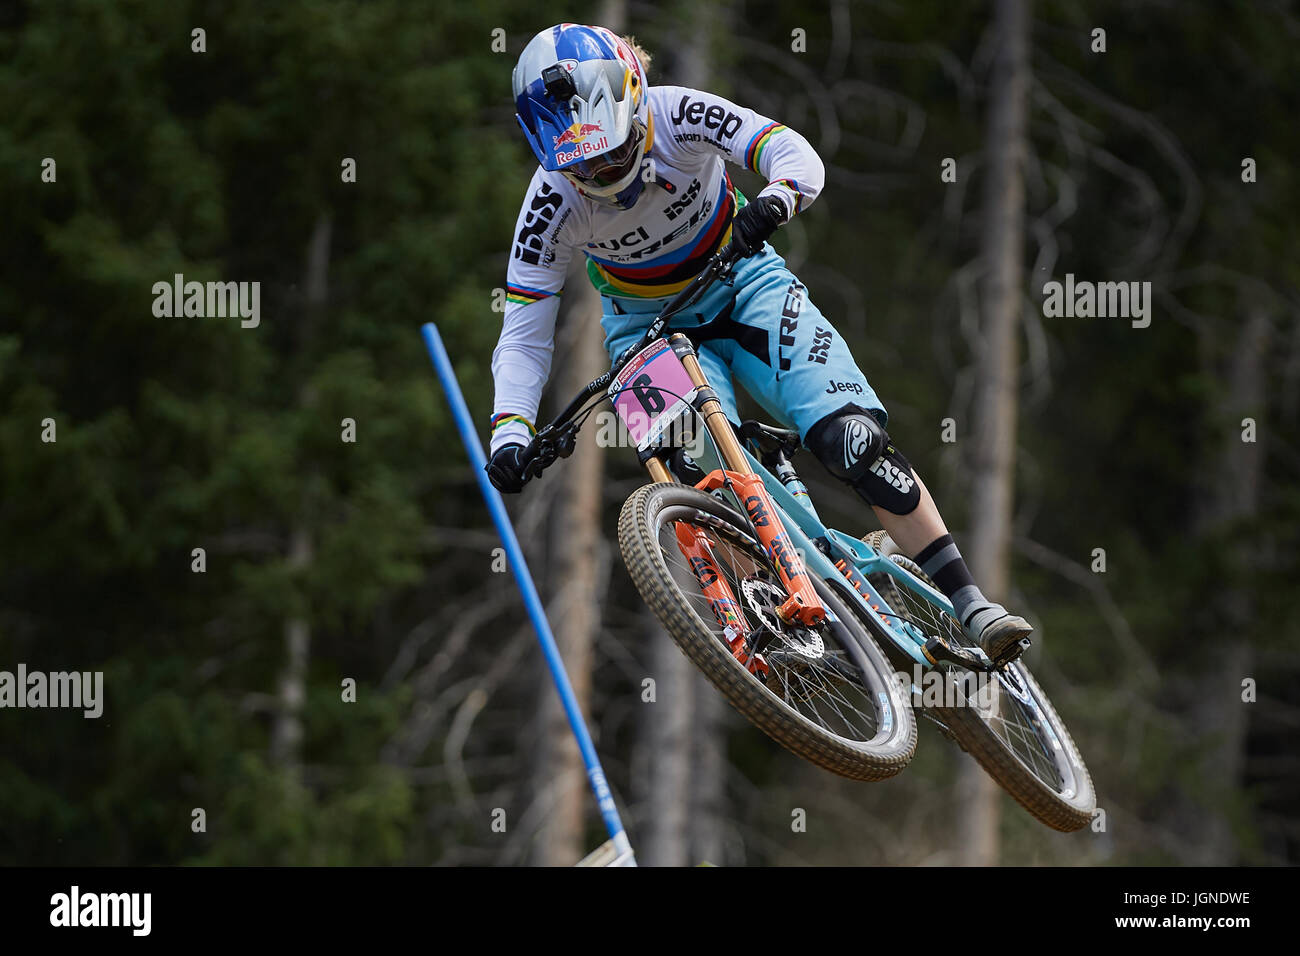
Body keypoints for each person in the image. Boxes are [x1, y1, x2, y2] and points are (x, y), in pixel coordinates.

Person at [485, 23, 1032, 660]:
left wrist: (775, 201)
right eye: (580, 164)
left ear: (635, 104)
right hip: (642, 330)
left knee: (849, 440)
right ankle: (782, 618)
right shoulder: (547, 207)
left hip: (743, 282)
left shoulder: (680, 112)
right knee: (701, 485)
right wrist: (511, 431)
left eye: (610, 153)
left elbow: (791, 151)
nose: (602, 173)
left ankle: (970, 603)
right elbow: (523, 333)